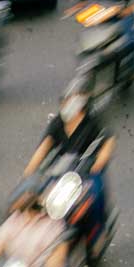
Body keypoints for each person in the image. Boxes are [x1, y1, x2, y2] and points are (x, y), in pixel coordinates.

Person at [23, 80, 115, 257]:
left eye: (70, 101)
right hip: (62, 171)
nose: (66, 106)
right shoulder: (57, 123)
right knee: (40, 199)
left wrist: (99, 162)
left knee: (95, 196)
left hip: (87, 172)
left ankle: (98, 233)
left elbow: (108, 141)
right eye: (65, 101)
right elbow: (43, 147)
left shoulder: (92, 121)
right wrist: (29, 172)